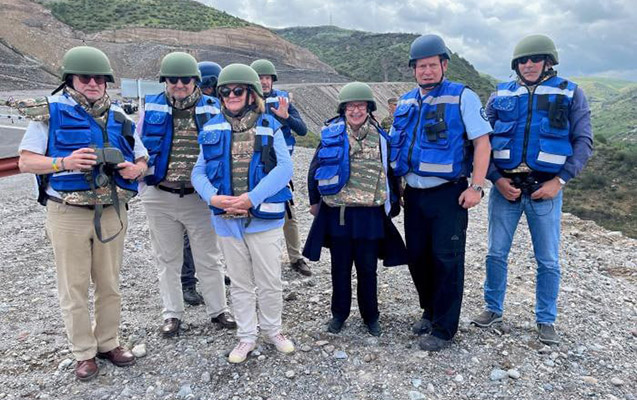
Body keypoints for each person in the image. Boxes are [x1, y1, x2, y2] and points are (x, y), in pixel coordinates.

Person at [15, 46, 147, 381]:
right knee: (73, 287)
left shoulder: (120, 116)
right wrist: (64, 162)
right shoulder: (50, 113)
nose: (92, 83)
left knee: (110, 283)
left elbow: (142, 158)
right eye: (85, 77)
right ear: (70, 79)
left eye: (99, 78)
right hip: (67, 212)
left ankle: (108, 342)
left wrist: (137, 169)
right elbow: (26, 161)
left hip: (112, 210)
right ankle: (83, 353)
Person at [471, 35, 593, 345]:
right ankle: (493, 309)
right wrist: (496, 179)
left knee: (548, 260)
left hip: (545, 189)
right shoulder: (500, 94)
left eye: (535, 59)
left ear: (548, 62)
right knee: (496, 253)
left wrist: (559, 181)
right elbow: (482, 140)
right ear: (516, 65)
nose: (528, 64)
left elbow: (583, 141)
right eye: (522, 60)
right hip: (505, 187)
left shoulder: (570, 93)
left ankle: (546, 319)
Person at [389, 34, 492, 351]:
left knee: (447, 259)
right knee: (418, 257)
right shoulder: (406, 101)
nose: (427, 71)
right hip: (414, 195)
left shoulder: (463, 97)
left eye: (432, 65)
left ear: (444, 65)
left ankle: (445, 329)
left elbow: (482, 143)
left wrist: (476, 187)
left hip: (449, 194)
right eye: (421, 66)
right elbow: (395, 146)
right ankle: (429, 310)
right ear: (413, 69)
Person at [192, 63, 296, 363]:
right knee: (239, 282)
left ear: (251, 94)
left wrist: (252, 198)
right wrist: (213, 197)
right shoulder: (211, 126)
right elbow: (198, 172)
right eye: (225, 91)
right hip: (226, 219)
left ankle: (273, 330)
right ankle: (246, 336)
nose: (231, 95)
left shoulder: (270, 124)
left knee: (269, 280)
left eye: (238, 90)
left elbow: (284, 168)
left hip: (264, 219)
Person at [139, 52, 235, 337]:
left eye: (185, 79)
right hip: (160, 195)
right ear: (165, 81)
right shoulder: (149, 108)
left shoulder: (214, 109)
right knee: (167, 259)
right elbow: (137, 146)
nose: (179, 85)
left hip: (199, 198)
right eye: (173, 79)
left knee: (209, 258)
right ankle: (172, 314)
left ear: (195, 80)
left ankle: (218, 310)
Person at [303, 82, 407, 336]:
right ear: (343, 109)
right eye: (351, 106)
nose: (356, 111)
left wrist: (395, 202)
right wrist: (314, 202)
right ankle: (339, 314)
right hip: (338, 213)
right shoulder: (332, 134)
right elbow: (315, 169)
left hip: (370, 215)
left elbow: (391, 171)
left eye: (360, 106)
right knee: (339, 268)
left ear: (369, 108)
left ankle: (371, 316)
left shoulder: (382, 138)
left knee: (367, 269)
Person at [250, 59, 311, 277]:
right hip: (254, 167)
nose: (264, 82)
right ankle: (252, 259)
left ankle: (295, 257)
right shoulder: (246, 101)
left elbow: (302, 130)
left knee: (288, 213)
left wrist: (286, 117)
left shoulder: (282, 100)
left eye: (267, 78)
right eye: (260, 78)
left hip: (279, 167)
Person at [180, 60, 225, 306]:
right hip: (190, 183)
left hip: (210, 182)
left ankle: (213, 273)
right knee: (190, 238)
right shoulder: (191, 109)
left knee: (212, 232)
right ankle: (187, 282)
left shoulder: (215, 109)